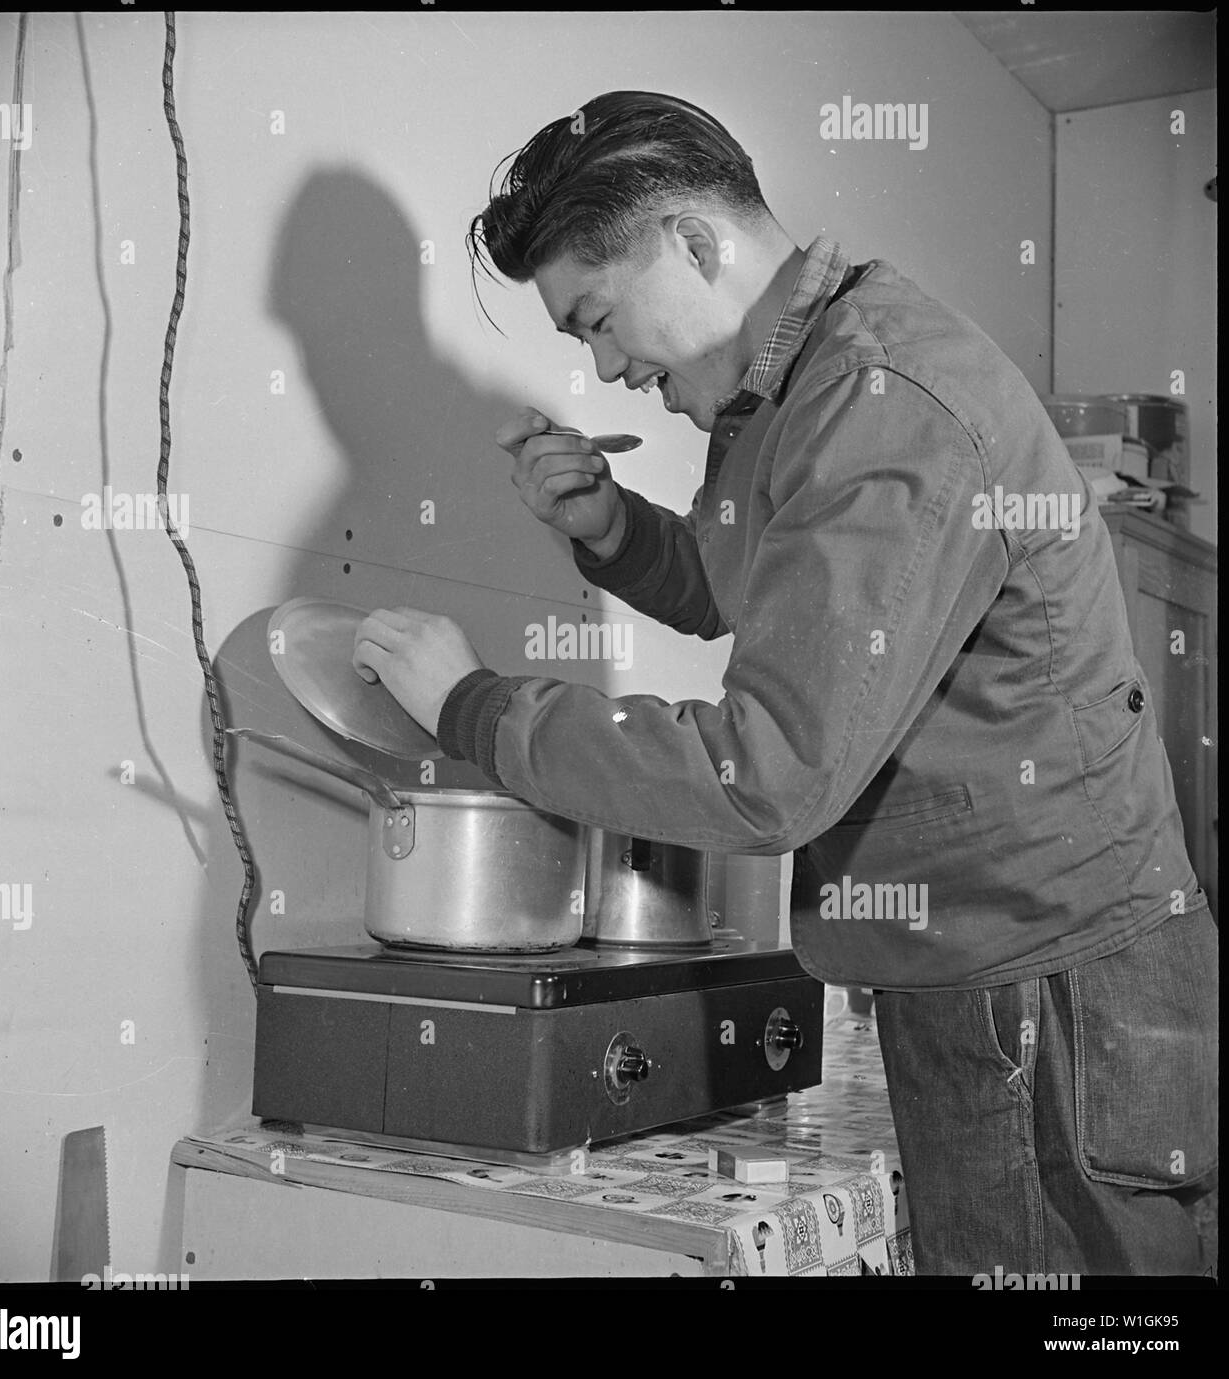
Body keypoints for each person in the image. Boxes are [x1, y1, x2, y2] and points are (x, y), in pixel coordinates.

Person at [352, 91, 1217, 1275]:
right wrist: (609, 528)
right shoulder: (797, 384)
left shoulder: (883, 400)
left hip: (1045, 988)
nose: (607, 370)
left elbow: (767, 775)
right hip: (1002, 969)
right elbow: (758, 589)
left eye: (598, 320)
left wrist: (476, 707)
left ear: (693, 246)